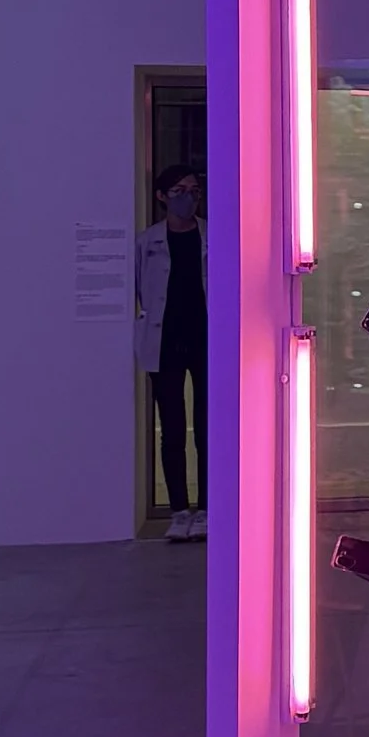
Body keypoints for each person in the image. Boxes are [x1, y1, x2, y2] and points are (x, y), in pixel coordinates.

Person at [136, 163, 207, 543]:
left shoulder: (211, 236)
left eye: (193, 191)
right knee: (172, 429)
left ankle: (208, 508)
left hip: (205, 339)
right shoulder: (146, 242)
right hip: (164, 342)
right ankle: (179, 510)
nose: (188, 198)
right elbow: (138, 291)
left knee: (208, 428)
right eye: (178, 191)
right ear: (162, 196)